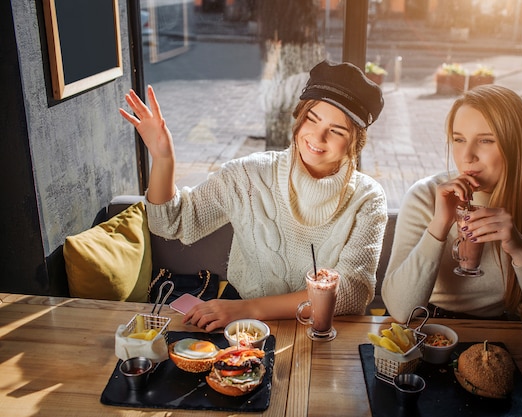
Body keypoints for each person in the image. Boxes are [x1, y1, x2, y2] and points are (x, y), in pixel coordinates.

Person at [120, 60, 387, 332]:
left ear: (355, 143)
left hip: (321, 327)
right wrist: (163, 158)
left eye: (337, 130)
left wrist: (248, 310)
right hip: (239, 321)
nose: (317, 136)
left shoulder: (368, 197)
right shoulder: (247, 175)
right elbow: (170, 223)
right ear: (299, 115)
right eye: (312, 118)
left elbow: (352, 293)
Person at [382, 85, 522, 332]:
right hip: (422, 325)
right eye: (459, 139)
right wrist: (439, 225)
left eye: (485, 140)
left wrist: (519, 248)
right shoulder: (424, 195)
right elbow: (400, 309)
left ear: (514, 145)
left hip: (499, 330)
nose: (467, 156)